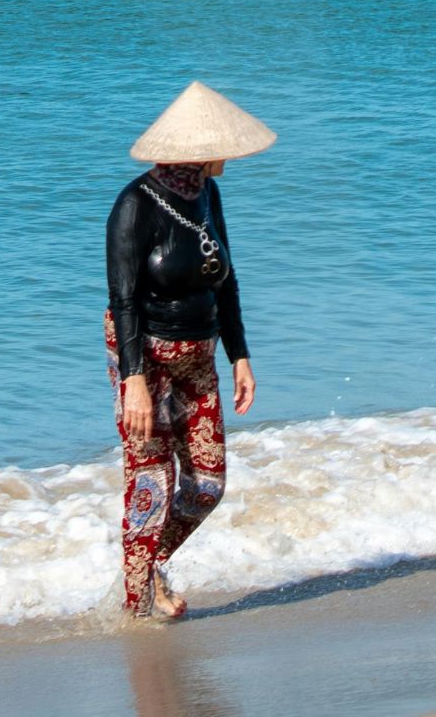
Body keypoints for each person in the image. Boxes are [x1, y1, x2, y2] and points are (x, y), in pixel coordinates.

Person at [105, 81, 275, 620]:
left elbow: (225, 280)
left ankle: (146, 569)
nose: (228, 153)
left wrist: (239, 354)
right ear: (199, 147)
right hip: (145, 356)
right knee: (152, 480)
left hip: (198, 356)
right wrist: (133, 378)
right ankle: (136, 626)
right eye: (221, 143)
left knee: (206, 483)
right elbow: (124, 297)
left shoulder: (208, 194)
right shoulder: (135, 205)